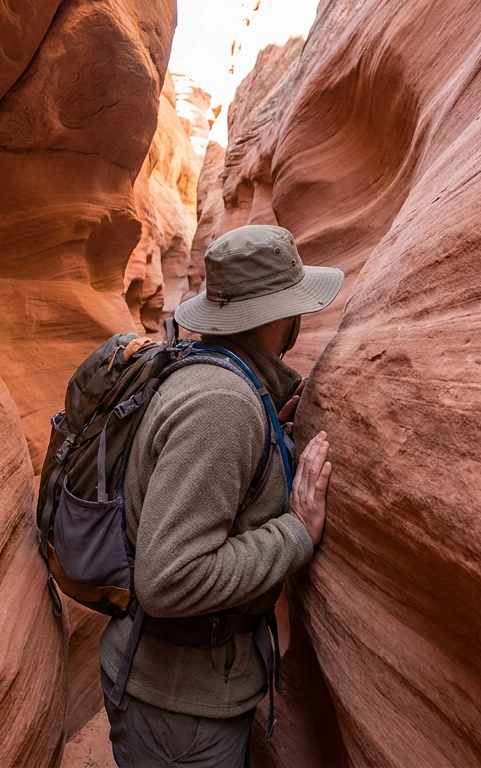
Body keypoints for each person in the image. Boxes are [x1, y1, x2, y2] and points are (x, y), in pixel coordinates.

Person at [99, 224, 342, 767]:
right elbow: (169, 579)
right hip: (178, 713)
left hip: (170, 692)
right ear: (279, 313)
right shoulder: (223, 407)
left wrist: (266, 444)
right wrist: (295, 532)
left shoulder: (217, 381)